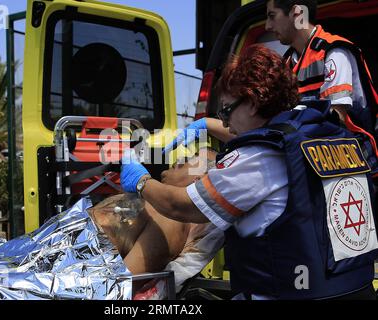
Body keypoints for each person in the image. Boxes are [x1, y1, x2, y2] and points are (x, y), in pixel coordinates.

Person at [120, 44, 378, 299]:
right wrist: (205, 125)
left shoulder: (256, 160)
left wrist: (141, 181)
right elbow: (272, 136)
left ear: (253, 103)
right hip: (356, 289)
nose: (224, 122)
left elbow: (181, 206)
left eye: (226, 110)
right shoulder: (326, 133)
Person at [265, 0, 378, 152]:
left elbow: (337, 118)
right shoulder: (285, 64)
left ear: (297, 13)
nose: (268, 26)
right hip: (310, 154)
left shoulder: (334, 52)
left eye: (272, 16)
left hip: (351, 159)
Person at [88, 148, 223, 275]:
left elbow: (125, 281)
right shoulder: (153, 204)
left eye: (194, 158)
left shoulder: (172, 221)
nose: (182, 158)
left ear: (199, 181)